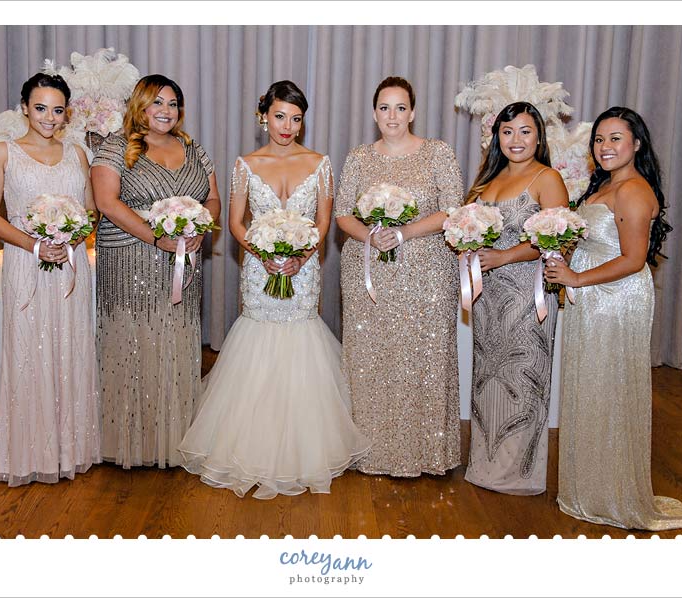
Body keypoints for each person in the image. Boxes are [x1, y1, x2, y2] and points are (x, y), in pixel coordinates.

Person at [179, 81, 369, 498]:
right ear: (263, 116)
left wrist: (302, 257)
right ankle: (252, 446)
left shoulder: (320, 163)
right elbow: (235, 222)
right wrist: (261, 252)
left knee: (301, 335)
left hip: (303, 270)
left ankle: (305, 449)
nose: (287, 126)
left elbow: (323, 220)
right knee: (259, 336)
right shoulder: (245, 164)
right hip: (259, 267)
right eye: (280, 116)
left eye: (296, 118)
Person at [545, 106, 682, 530]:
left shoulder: (632, 190)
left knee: (608, 390)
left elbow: (632, 261)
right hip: (590, 299)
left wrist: (574, 277)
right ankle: (588, 487)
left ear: (636, 144)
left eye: (615, 138)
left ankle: (610, 493)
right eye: (599, 139)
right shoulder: (605, 186)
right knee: (589, 389)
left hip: (614, 301)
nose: (605, 146)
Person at [91, 74, 221, 469]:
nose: (166, 111)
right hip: (130, 259)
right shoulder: (117, 146)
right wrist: (156, 238)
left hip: (183, 259)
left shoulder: (192, 147)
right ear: (140, 105)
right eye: (157, 102)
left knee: (175, 337)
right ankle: (129, 440)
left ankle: (175, 436)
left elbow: (213, 198)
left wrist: (199, 225)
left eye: (173, 103)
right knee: (133, 339)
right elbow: (107, 202)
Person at [335, 76, 463, 477]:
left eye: (401, 107)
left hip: (426, 271)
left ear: (414, 112)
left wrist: (404, 232)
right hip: (368, 271)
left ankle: (425, 453)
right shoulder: (358, 158)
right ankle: (371, 451)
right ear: (374, 113)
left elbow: (452, 209)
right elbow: (342, 214)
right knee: (372, 357)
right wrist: (373, 237)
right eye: (385, 108)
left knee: (422, 356)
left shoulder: (438, 153)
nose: (393, 116)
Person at [0, 73, 100, 485]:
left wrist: (70, 235)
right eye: (41, 108)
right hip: (24, 265)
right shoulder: (3, 153)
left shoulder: (77, 154)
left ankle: (71, 450)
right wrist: (34, 244)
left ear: (67, 113)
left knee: (70, 348)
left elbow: (91, 210)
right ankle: (29, 454)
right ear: (25, 108)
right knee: (29, 350)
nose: (49, 117)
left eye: (58, 109)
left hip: (69, 266)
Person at [463, 102, 569, 495]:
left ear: (538, 136)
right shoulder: (485, 182)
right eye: (507, 132)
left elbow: (556, 237)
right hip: (487, 297)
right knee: (487, 381)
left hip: (528, 297)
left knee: (521, 383)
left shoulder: (547, 178)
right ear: (497, 138)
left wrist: (504, 255)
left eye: (525, 131)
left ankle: (519, 473)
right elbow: (466, 229)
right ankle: (485, 466)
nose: (516, 140)